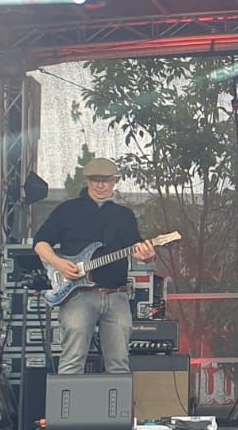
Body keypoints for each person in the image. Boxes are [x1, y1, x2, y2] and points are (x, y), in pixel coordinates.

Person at [33, 156, 156, 374]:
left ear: (115, 181)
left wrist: (147, 255)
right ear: (87, 181)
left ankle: (116, 399)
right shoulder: (67, 210)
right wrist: (59, 264)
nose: (100, 185)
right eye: (95, 180)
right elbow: (40, 243)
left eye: (106, 180)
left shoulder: (124, 215)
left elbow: (137, 248)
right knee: (72, 362)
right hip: (77, 295)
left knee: (119, 364)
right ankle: (68, 398)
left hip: (116, 295)